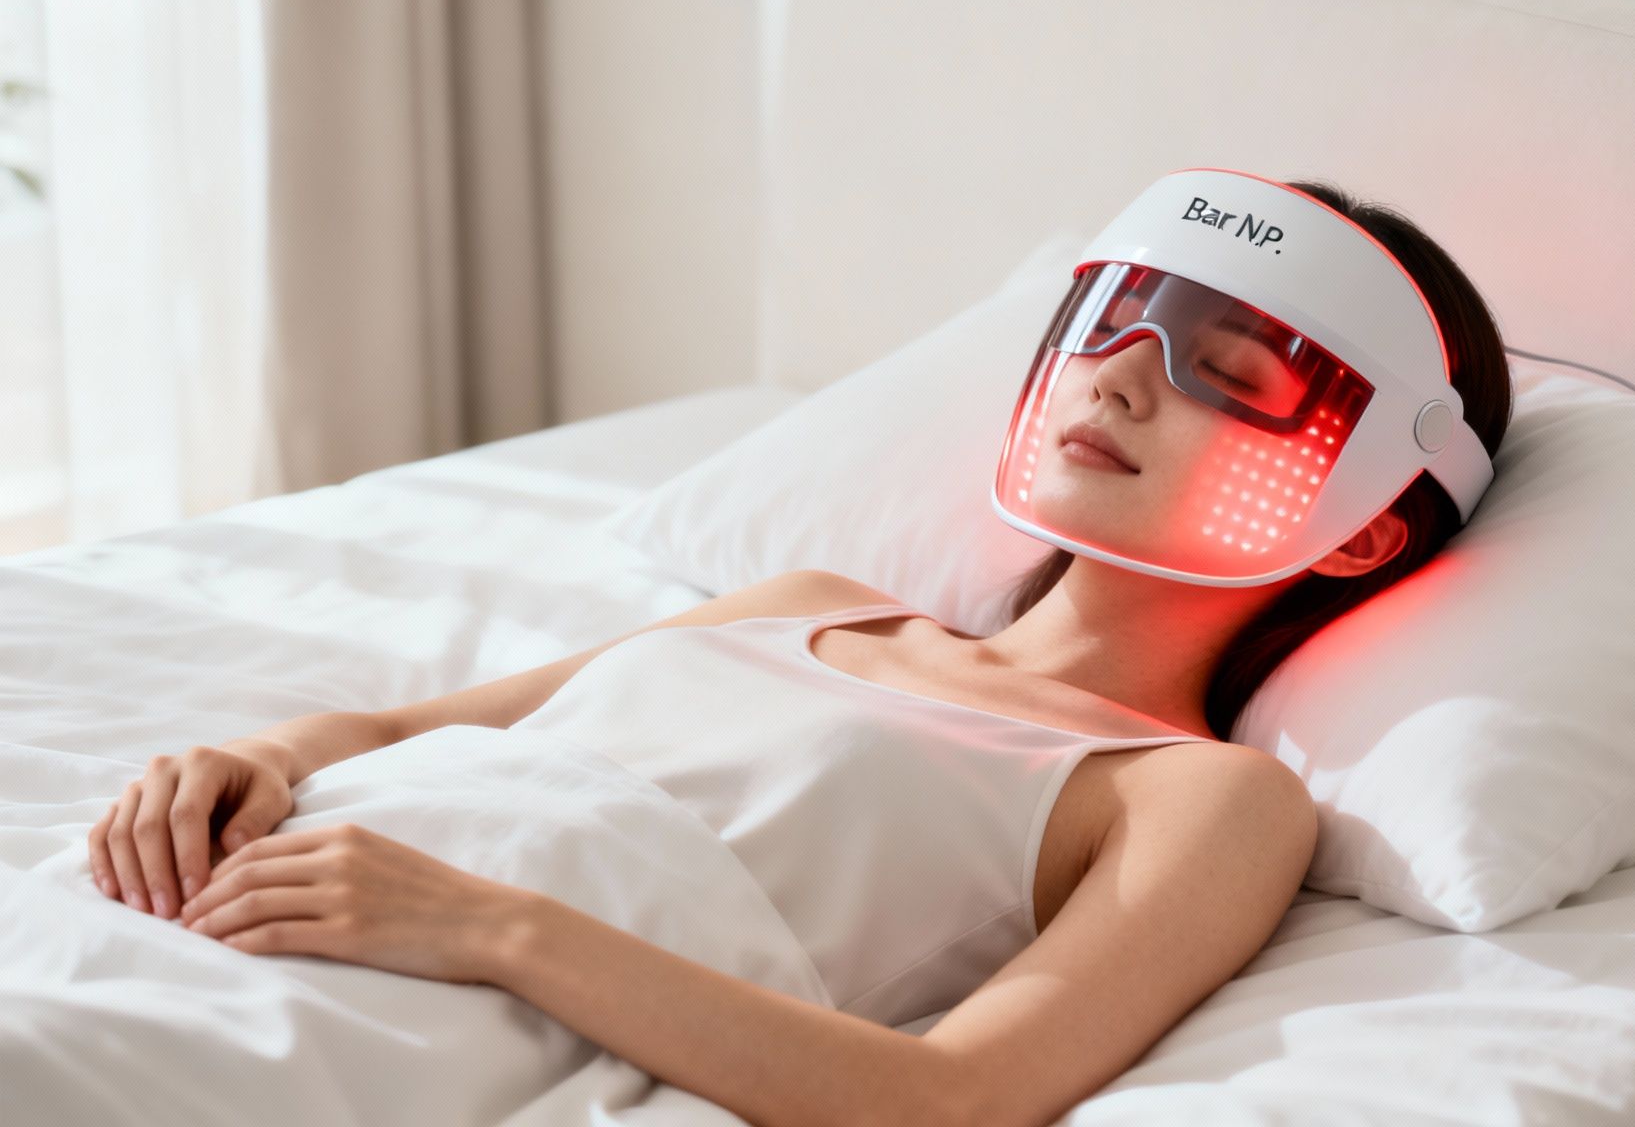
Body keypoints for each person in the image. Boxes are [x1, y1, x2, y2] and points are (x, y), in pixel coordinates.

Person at [85, 170, 1513, 1127]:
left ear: (1362, 532)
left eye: (1231, 371)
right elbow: (396, 737)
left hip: (416, 1016)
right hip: (206, 897)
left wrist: (483, 923)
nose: (1123, 373)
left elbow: (953, 1100)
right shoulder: (807, 598)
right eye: (1119, 323)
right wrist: (245, 762)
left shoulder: (1197, 796)